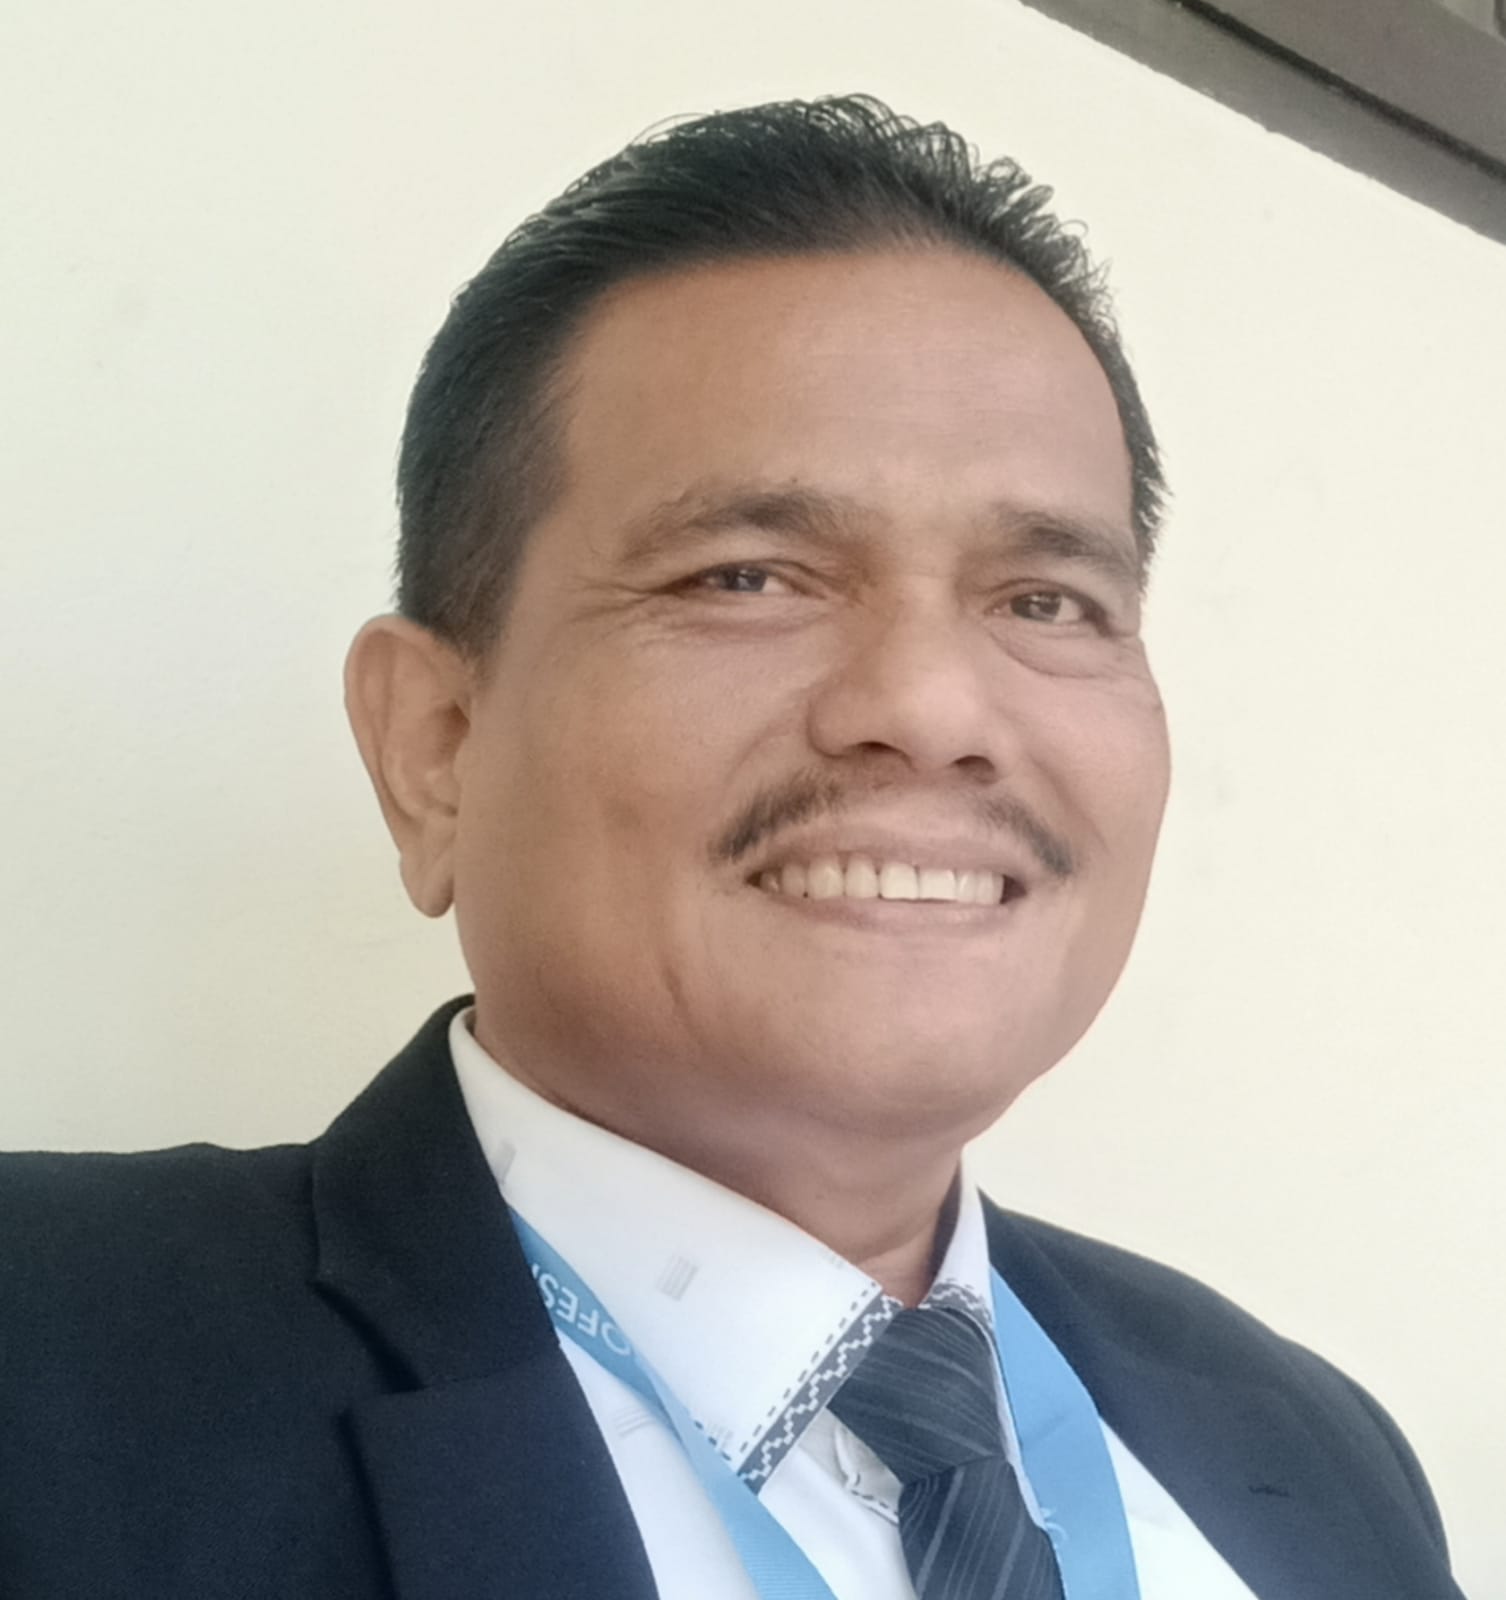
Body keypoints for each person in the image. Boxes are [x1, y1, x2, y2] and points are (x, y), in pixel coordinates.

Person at [0, 95, 1465, 1600]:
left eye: (1044, 601)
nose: (929, 707)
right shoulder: (46, 1361)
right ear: (433, 745)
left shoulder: (1310, 1446)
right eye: (748, 576)